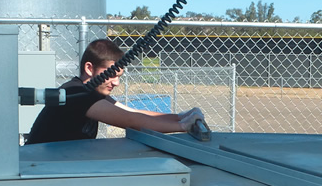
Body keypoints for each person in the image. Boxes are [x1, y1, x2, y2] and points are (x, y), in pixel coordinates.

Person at [25, 39, 204, 144]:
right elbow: (131, 121)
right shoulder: (75, 93)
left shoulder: (91, 93)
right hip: (40, 170)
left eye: (119, 76)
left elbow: (132, 111)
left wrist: (181, 117)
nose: (116, 83)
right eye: (112, 75)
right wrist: (183, 126)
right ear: (89, 68)